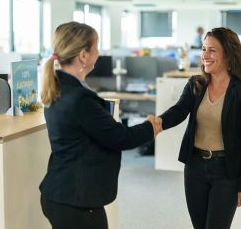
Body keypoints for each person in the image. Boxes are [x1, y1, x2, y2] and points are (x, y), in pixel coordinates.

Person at [39, 21, 162, 229]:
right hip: (76, 200)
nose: (99, 53)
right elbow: (120, 137)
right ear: (83, 56)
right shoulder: (80, 98)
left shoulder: (59, 89)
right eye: (96, 48)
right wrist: (151, 126)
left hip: (61, 193)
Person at [158, 27, 241, 229]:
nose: (204, 55)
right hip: (195, 167)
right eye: (204, 49)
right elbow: (178, 111)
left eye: (212, 50)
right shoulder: (197, 84)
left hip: (226, 171)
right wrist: (155, 123)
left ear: (229, 54)